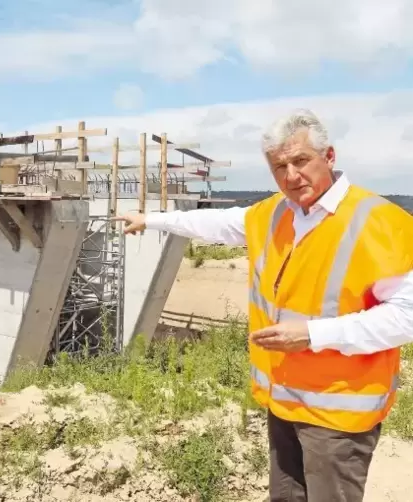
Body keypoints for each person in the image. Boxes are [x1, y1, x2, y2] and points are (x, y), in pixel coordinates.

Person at [112, 109, 413, 502]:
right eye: (279, 167)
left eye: (301, 161)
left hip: (339, 414)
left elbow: (405, 318)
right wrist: (151, 220)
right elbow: (216, 224)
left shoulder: (381, 222)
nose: (291, 176)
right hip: (284, 402)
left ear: (330, 157)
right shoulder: (274, 214)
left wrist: (312, 335)